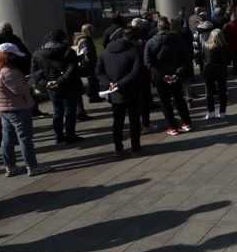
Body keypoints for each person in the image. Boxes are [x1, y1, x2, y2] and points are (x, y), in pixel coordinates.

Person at [0, 43, 46, 176]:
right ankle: (32, 167)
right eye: (14, 55)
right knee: (25, 138)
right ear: (8, 56)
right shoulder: (8, 71)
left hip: (2, 109)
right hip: (17, 108)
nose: (16, 58)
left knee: (7, 138)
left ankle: (10, 166)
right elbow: (19, 90)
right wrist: (29, 83)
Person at [31, 29, 83, 144]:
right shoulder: (68, 51)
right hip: (69, 85)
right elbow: (72, 70)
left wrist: (46, 83)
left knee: (57, 110)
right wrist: (59, 80)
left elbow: (35, 73)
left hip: (51, 87)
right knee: (70, 111)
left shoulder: (37, 53)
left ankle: (58, 136)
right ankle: (70, 135)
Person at [96, 27, 143, 155]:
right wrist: (121, 83)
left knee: (117, 121)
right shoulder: (134, 51)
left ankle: (118, 147)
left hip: (114, 92)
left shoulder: (105, 53)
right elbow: (136, 72)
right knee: (134, 120)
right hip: (131, 89)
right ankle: (135, 146)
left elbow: (99, 72)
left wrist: (109, 83)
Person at [144, 17, 192, 136]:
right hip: (176, 74)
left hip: (160, 77)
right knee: (179, 99)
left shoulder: (151, 42)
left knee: (165, 102)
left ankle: (172, 126)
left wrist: (161, 75)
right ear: (168, 27)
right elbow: (186, 58)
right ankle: (186, 122)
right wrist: (178, 72)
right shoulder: (178, 39)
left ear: (158, 27)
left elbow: (148, 62)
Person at [201, 28, 231, 120]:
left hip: (208, 70)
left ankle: (211, 112)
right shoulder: (224, 47)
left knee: (209, 93)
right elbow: (228, 60)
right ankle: (222, 112)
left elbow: (202, 57)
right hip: (221, 71)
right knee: (222, 92)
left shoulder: (205, 46)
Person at [74, 24, 101, 120]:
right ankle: (93, 96)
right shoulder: (85, 40)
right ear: (88, 31)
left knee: (92, 79)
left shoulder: (83, 38)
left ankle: (94, 95)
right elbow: (86, 52)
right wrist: (89, 60)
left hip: (87, 63)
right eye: (92, 29)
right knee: (92, 79)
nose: (94, 31)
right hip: (88, 63)